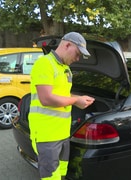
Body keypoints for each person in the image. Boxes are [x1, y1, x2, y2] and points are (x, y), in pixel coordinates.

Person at [28, 32, 95, 180]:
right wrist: (76, 101)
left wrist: (79, 98)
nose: (77, 59)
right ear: (67, 45)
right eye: (77, 54)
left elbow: (64, 95)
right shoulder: (44, 63)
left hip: (63, 134)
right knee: (50, 177)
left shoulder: (65, 69)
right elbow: (46, 99)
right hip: (47, 135)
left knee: (61, 174)